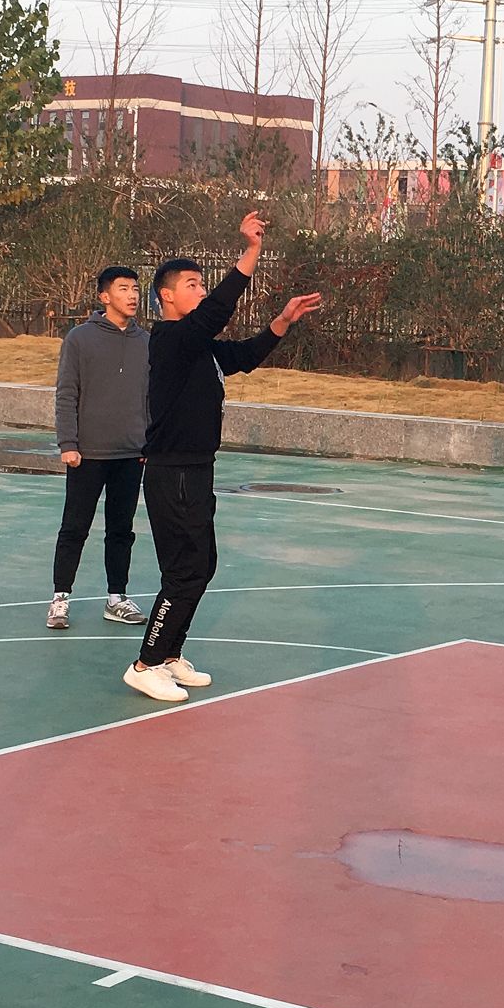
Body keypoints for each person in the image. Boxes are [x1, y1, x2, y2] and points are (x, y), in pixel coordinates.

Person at [124, 213, 324, 702]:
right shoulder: (171, 340)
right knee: (184, 570)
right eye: (192, 285)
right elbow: (215, 312)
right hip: (173, 473)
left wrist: (283, 320)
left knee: (203, 564)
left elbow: (246, 355)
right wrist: (250, 252)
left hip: (196, 471)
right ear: (167, 296)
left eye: (202, 283)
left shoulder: (202, 349)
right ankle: (145, 663)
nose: (201, 290)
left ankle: (170, 655)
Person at [48, 265, 151, 630]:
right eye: (123, 288)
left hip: (131, 453)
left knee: (121, 530)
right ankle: (60, 598)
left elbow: (151, 397)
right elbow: (66, 394)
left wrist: (149, 441)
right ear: (104, 296)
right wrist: (68, 443)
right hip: (87, 454)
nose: (133, 295)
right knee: (74, 528)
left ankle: (116, 598)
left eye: (135, 288)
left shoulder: (146, 342)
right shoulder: (79, 339)